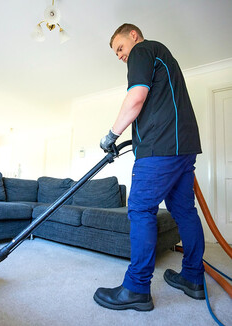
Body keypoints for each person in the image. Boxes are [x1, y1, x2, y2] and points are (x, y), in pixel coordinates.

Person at [94, 23, 205, 311]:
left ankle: (136, 288)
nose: (120, 55)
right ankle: (193, 278)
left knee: (141, 209)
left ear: (133, 35)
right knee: (184, 212)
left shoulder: (142, 50)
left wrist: (111, 134)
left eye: (120, 47)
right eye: (116, 53)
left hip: (159, 149)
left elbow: (137, 98)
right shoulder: (164, 56)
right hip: (182, 148)